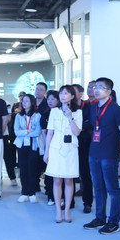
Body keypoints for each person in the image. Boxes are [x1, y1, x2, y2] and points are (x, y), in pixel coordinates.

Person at [84, 77, 120, 235]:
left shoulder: (116, 109)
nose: (96, 90)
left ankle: (113, 221)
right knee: (98, 187)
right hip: (94, 152)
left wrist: (117, 150)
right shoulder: (93, 108)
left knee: (112, 188)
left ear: (109, 91)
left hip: (109, 154)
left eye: (101, 87)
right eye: (95, 86)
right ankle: (100, 217)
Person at [44, 85, 83, 223]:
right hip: (56, 147)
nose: (62, 96)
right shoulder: (54, 111)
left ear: (72, 96)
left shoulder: (78, 112)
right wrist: (46, 151)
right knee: (57, 180)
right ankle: (58, 211)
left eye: (66, 93)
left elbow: (77, 132)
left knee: (69, 180)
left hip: (71, 147)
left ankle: (67, 210)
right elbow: (49, 132)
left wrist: (70, 116)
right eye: (61, 93)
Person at [14, 94, 42, 203]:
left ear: (32, 102)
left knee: (32, 168)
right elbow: (16, 132)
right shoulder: (18, 116)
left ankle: (32, 193)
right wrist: (28, 131)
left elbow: (37, 132)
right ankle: (24, 192)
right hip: (22, 144)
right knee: (23, 168)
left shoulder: (37, 115)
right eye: (23, 101)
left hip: (33, 144)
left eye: (27, 101)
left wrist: (25, 133)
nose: (24, 103)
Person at [74, 83, 94, 214]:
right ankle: (69, 201)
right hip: (69, 143)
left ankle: (87, 202)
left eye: (73, 91)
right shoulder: (66, 108)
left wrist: (78, 127)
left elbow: (89, 124)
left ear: (80, 93)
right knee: (68, 174)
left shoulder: (88, 107)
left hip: (84, 143)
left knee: (85, 173)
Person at [41, 90, 59, 205]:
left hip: (60, 146)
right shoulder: (45, 113)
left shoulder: (62, 112)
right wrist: (47, 146)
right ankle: (50, 195)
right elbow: (44, 131)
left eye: (53, 99)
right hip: (49, 145)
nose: (50, 101)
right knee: (49, 171)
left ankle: (61, 196)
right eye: (48, 99)